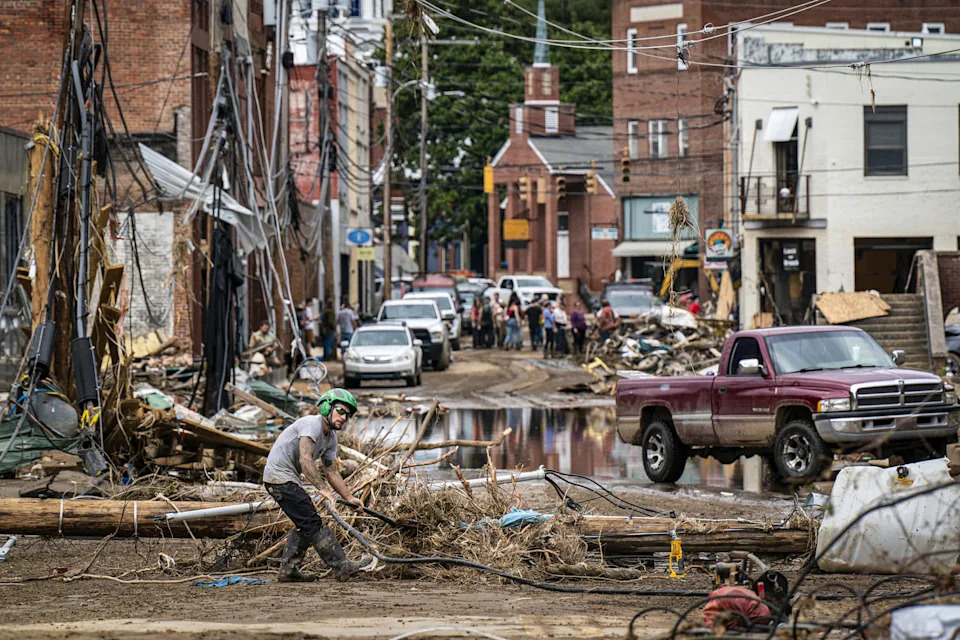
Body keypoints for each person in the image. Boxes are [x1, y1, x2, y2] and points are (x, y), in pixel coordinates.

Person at [263, 388, 372, 582]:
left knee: (305, 522)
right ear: (326, 408)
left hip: (288, 479)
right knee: (312, 522)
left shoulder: (331, 438)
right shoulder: (310, 426)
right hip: (278, 478)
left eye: (348, 415)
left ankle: (288, 571)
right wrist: (323, 489)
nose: (344, 418)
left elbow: (331, 471)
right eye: (340, 411)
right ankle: (341, 566)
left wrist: (348, 497)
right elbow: (306, 461)